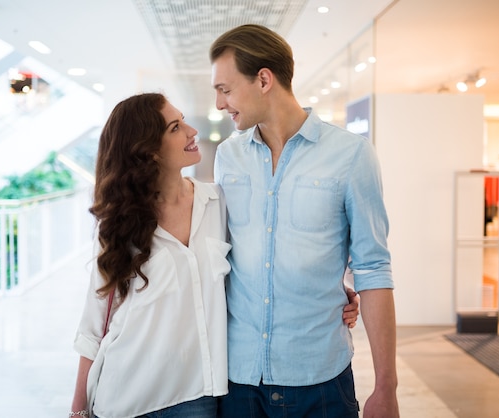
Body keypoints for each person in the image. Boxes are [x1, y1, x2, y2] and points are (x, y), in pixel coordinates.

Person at [68, 92, 364, 417]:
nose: (192, 131)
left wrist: (331, 293)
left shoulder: (217, 204)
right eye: (175, 127)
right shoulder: (119, 223)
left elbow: (260, 258)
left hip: (199, 398)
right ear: (148, 151)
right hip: (125, 398)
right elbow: (93, 328)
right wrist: (78, 410)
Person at [210, 24, 399, 418]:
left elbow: (374, 269)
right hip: (239, 380)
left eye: (225, 89)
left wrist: (386, 386)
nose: (219, 104)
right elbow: (219, 256)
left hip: (320, 381)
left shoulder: (351, 155)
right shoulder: (228, 157)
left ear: (264, 79)